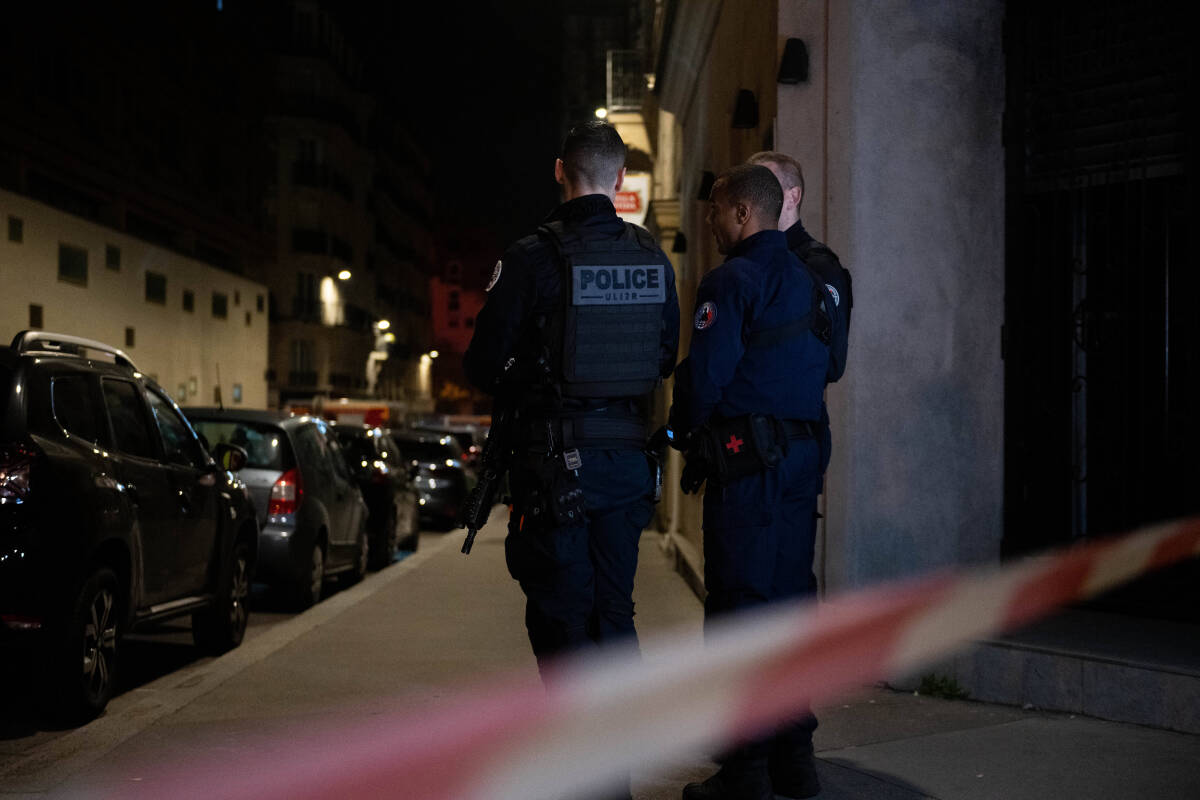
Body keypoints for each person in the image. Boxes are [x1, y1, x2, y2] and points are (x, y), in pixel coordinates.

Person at [464, 121, 680, 684]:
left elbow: (483, 363)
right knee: (614, 613)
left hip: (556, 469)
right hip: (628, 467)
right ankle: (612, 765)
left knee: (563, 622)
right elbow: (662, 356)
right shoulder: (651, 257)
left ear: (560, 170)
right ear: (621, 177)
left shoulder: (531, 257)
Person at [670, 164, 827, 800]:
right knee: (789, 608)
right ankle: (795, 762)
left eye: (714, 211)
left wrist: (681, 435)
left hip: (749, 467)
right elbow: (829, 361)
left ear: (743, 213)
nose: (708, 223)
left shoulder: (732, 280)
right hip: (801, 460)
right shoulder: (814, 281)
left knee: (739, 610)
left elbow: (704, 380)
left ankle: (746, 773)